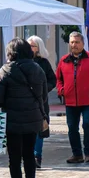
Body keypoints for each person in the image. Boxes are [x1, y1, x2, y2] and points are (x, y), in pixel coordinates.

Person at [0, 38, 47, 178]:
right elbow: (44, 96)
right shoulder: (38, 69)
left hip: (12, 120)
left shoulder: (5, 70)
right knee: (29, 154)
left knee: (14, 158)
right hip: (32, 118)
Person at [54, 31, 89, 164]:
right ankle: (77, 154)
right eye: (72, 42)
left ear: (83, 43)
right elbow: (58, 79)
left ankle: (88, 153)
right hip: (70, 101)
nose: (74, 45)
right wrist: (61, 90)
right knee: (72, 128)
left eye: (77, 42)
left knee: (87, 124)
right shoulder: (64, 60)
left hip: (88, 100)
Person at [26, 36, 56, 168]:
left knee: (39, 129)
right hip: (25, 102)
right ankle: (28, 155)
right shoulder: (21, 61)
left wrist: (43, 89)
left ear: (39, 48)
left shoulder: (43, 63)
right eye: (28, 45)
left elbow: (52, 80)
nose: (29, 48)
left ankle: (37, 156)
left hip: (40, 102)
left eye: (32, 46)